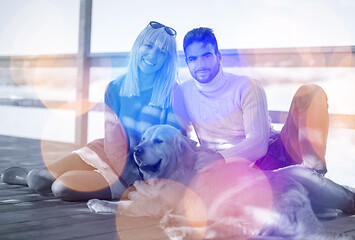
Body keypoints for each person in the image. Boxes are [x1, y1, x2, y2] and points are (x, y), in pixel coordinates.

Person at [172, 27, 354, 214]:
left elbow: (258, 144)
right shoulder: (182, 94)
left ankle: (314, 172)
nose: (200, 64)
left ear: (218, 56)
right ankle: (314, 188)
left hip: (275, 151)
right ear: (186, 62)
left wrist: (217, 159)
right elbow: (181, 138)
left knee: (311, 93)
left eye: (206, 56)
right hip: (235, 172)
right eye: (192, 59)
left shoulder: (246, 86)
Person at [1, 21, 182, 201]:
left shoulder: (173, 94)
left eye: (162, 52)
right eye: (148, 46)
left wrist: (134, 182)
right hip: (106, 153)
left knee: (61, 187)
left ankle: (85, 179)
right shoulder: (115, 88)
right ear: (138, 47)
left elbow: (172, 147)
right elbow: (114, 142)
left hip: (140, 171)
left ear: (168, 58)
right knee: (37, 180)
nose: (153, 55)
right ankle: (27, 177)